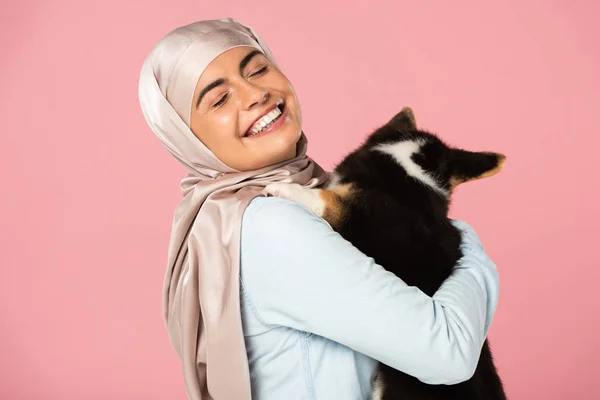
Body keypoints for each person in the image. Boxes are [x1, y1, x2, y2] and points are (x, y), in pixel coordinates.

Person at [138, 18, 500, 400]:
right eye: (219, 98)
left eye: (259, 69)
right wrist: (467, 248)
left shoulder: (251, 211)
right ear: (186, 136)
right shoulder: (272, 223)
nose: (254, 94)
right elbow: (448, 351)